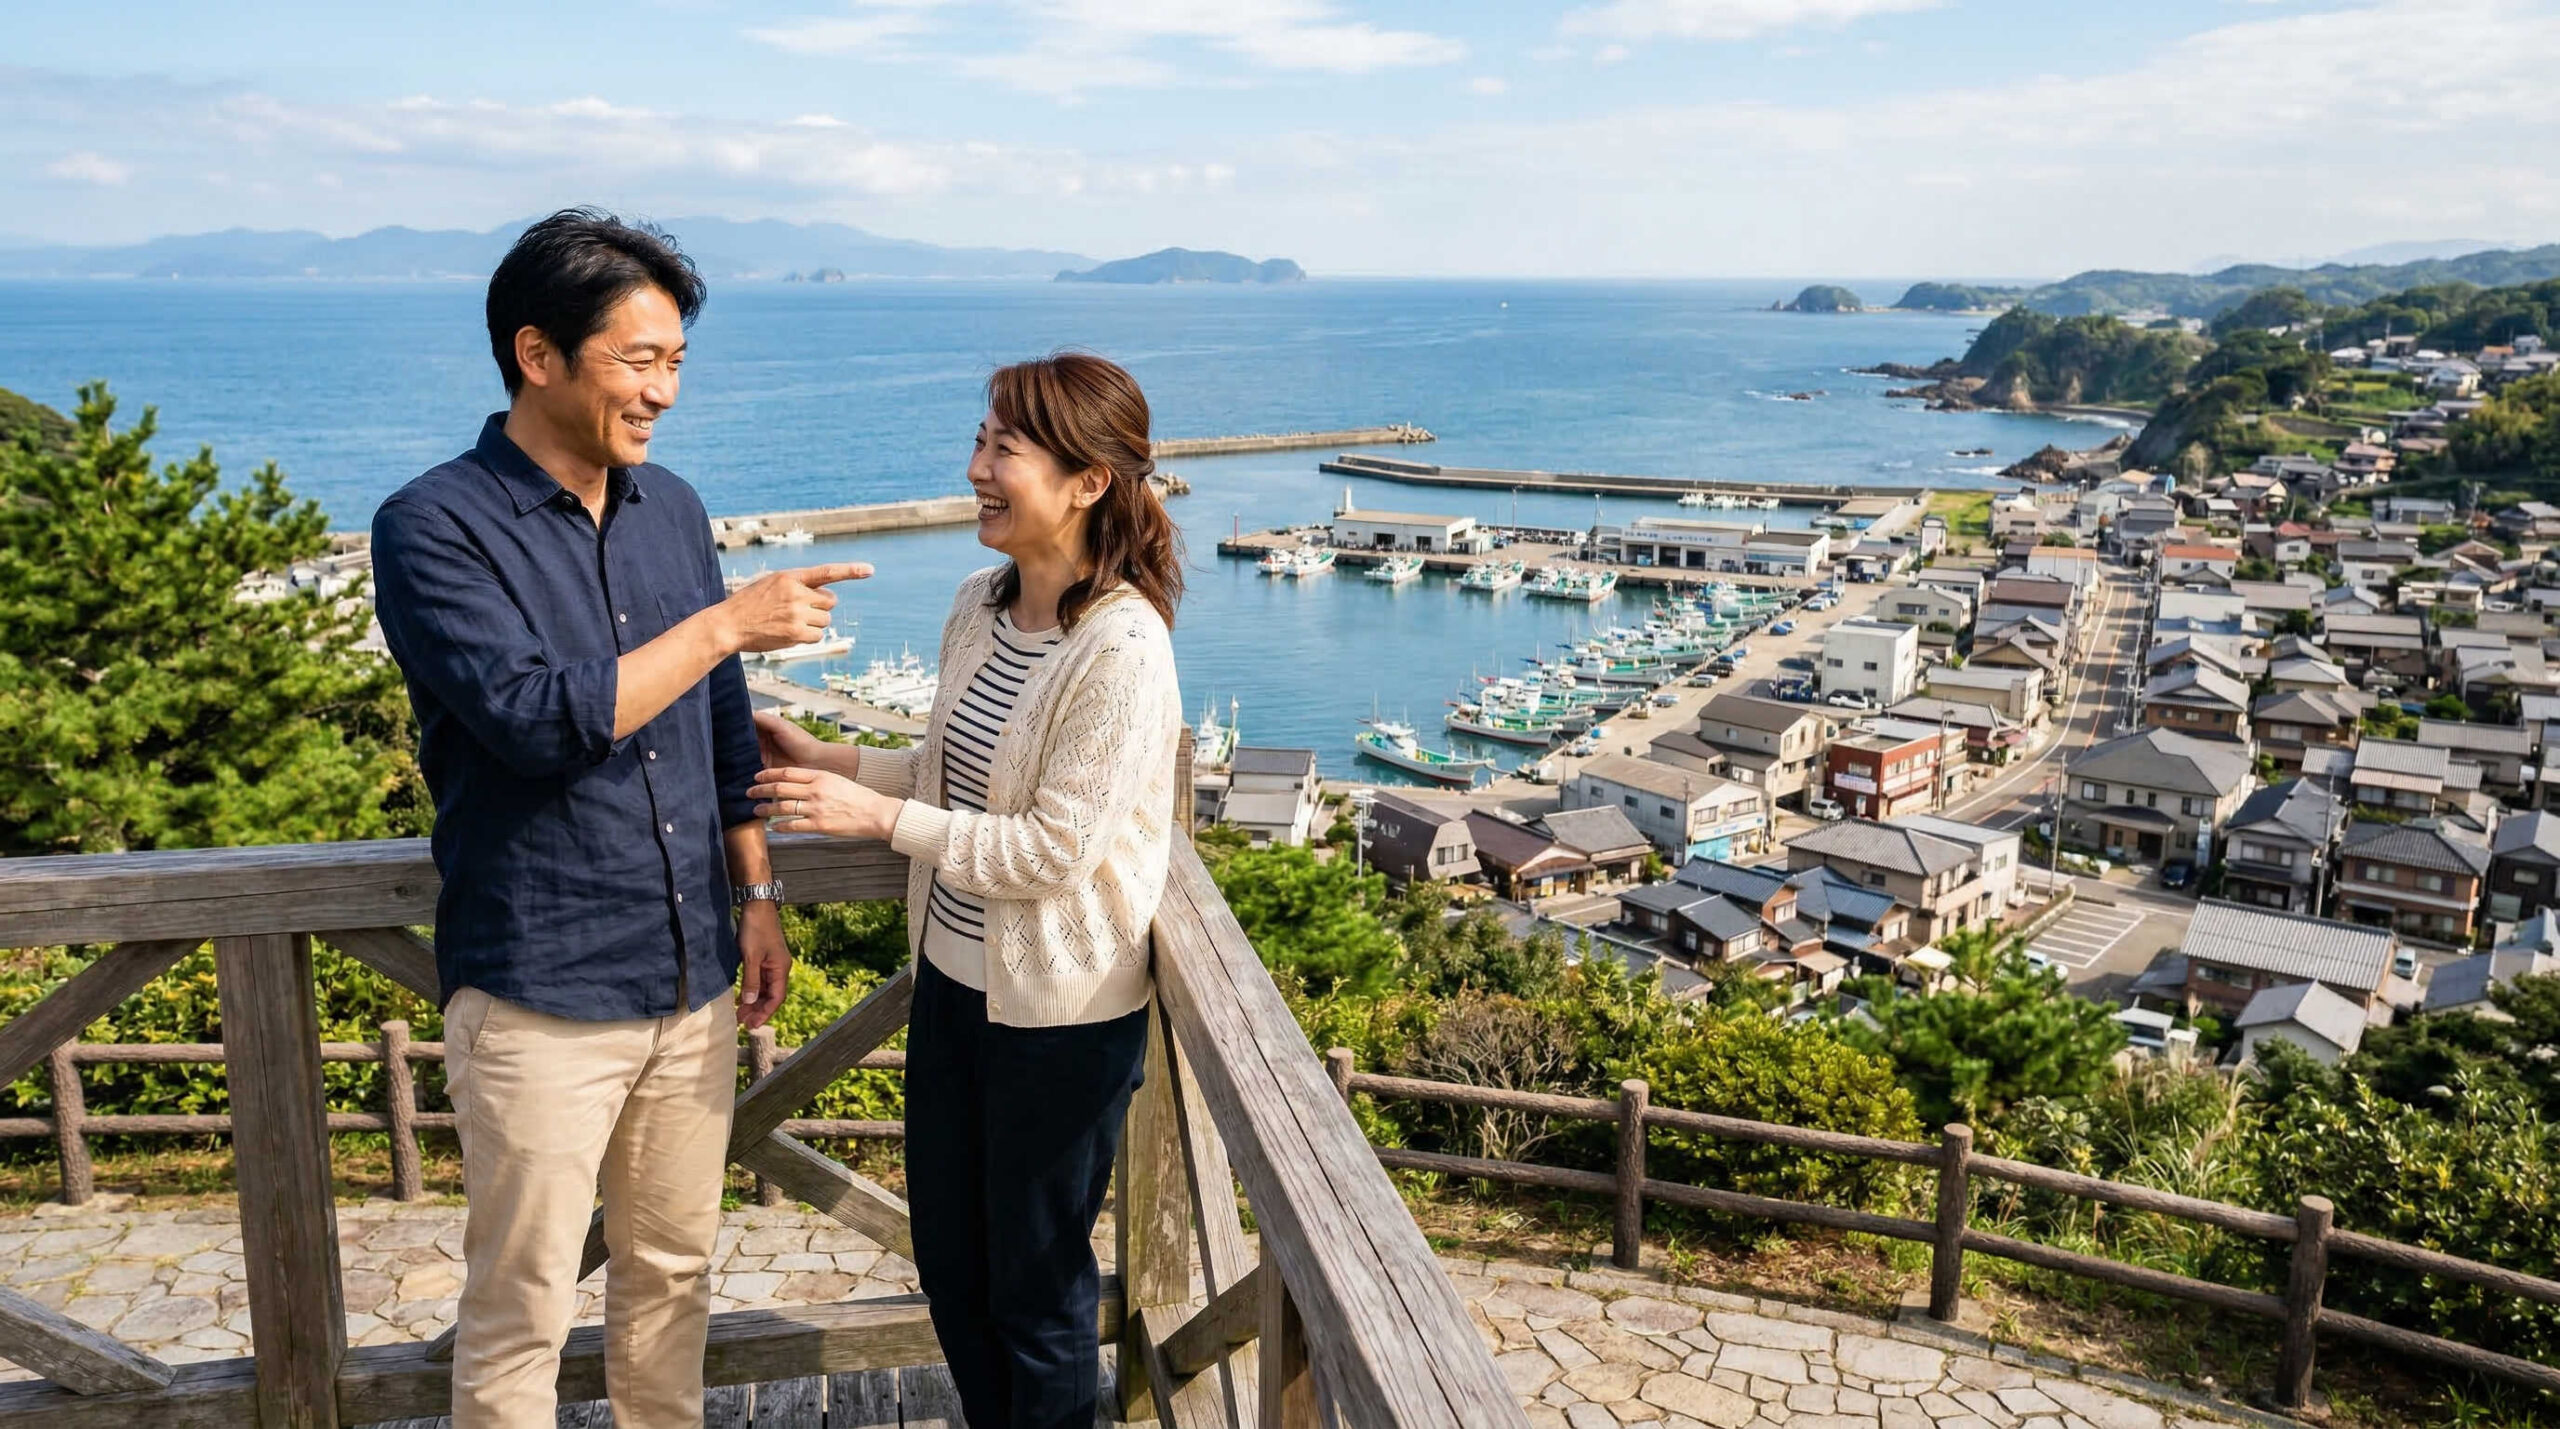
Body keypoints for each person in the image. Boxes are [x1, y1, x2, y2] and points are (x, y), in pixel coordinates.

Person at [371, 208, 868, 1429]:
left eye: (676, 364)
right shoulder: (432, 525)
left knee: (672, 1274)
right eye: (637, 361)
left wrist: (756, 893)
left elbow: (717, 723)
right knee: (523, 1298)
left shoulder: (669, 506)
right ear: (537, 355)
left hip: (693, 970)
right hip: (540, 982)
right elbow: (537, 721)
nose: (663, 393)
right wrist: (725, 622)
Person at [748, 352, 1185, 1429]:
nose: (978, 467)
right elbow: (952, 774)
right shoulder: (978, 605)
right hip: (949, 985)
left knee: (1034, 1295)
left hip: (1059, 1019)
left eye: (1007, 448)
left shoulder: (1122, 646)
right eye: (981, 440)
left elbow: (1053, 850)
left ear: (1089, 481)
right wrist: (838, 760)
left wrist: (880, 821)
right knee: (952, 1266)